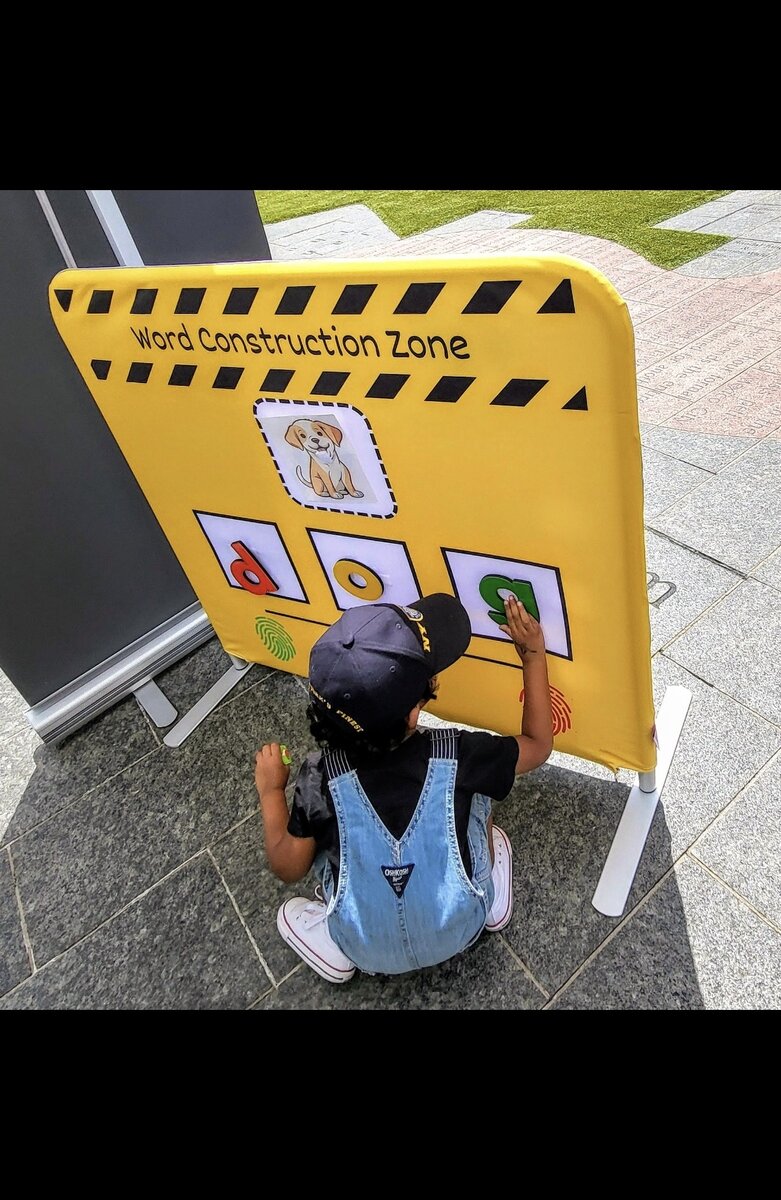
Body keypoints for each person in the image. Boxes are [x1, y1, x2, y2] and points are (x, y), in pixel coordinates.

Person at [254, 592, 553, 983]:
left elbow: (288, 866)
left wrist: (271, 792)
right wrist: (533, 656)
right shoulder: (460, 754)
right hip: (462, 924)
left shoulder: (319, 776)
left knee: (321, 845)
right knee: (479, 794)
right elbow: (538, 745)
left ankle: (336, 947)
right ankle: (490, 901)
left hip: (362, 946)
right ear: (414, 713)